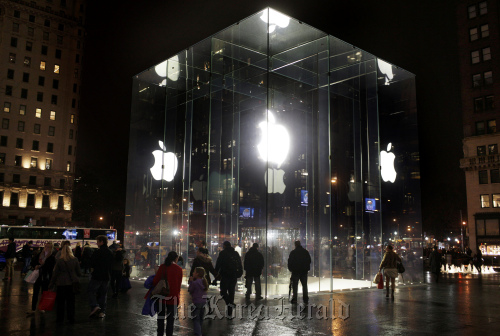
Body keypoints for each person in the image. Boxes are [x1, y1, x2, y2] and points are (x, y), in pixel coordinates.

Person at [149, 251, 183, 336]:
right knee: (170, 320)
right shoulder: (179, 269)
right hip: (173, 298)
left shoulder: (162, 267)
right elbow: (179, 285)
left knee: (160, 319)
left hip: (161, 296)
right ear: (176, 258)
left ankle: (159, 334)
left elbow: (155, 281)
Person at [49, 245, 81, 323]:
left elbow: (55, 274)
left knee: (60, 302)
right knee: (71, 302)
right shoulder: (75, 260)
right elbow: (79, 272)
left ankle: (60, 319)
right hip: (71, 283)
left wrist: (51, 284)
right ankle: (71, 318)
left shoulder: (60, 261)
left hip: (61, 283)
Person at [88, 235, 113, 318]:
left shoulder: (97, 252)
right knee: (103, 294)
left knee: (91, 291)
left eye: (98, 241)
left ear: (101, 242)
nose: (97, 243)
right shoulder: (110, 252)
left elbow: (91, 262)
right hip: (106, 276)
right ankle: (102, 311)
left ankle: (95, 306)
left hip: (97, 275)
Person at [214, 241, 243, 316]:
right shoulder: (235, 253)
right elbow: (239, 263)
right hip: (233, 275)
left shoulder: (223, 253)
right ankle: (230, 312)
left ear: (224, 246)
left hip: (225, 274)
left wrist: (216, 273)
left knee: (223, 292)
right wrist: (239, 273)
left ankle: (230, 304)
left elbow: (218, 264)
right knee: (231, 292)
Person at [28, 242, 56, 314]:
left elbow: (51, 268)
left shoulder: (52, 257)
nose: (47, 248)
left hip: (45, 277)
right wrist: (36, 266)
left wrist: (43, 265)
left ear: (51, 248)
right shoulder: (40, 254)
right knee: (35, 293)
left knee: (44, 293)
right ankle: (33, 309)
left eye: (49, 247)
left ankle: (42, 308)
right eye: (46, 247)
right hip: (38, 276)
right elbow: (33, 262)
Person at [188, 267, 208, 336]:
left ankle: (198, 333)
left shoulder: (195, 283)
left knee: (196, 319)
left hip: (196, 302)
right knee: (200, 318)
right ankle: (199, 330)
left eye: (194, 272)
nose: (193, 273)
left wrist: (190, 282)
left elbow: (190, 290)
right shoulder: (203, 282)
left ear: (197, 274)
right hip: (203, 302)